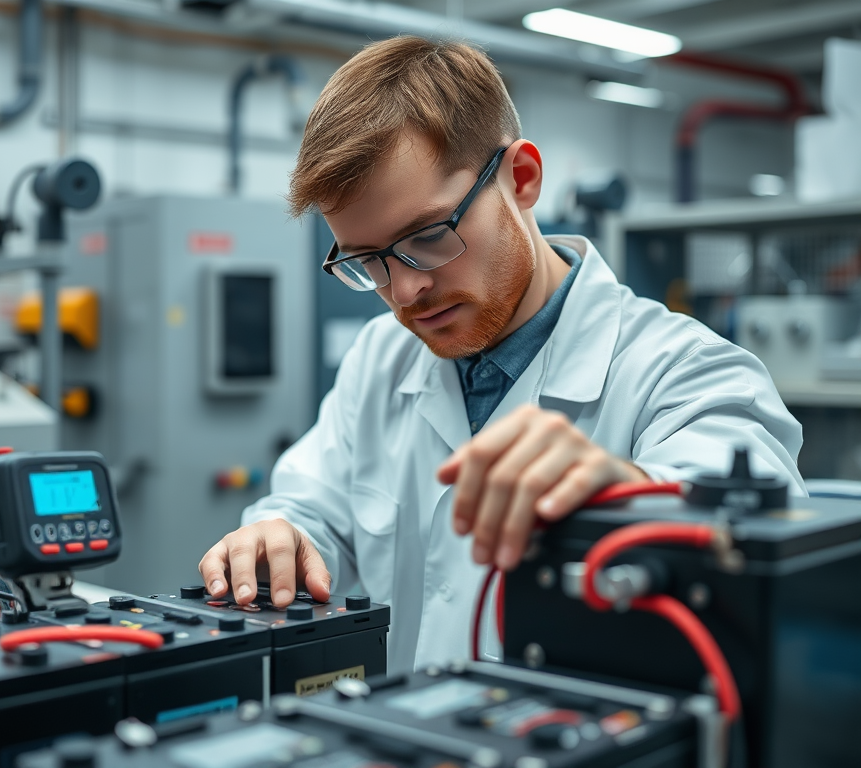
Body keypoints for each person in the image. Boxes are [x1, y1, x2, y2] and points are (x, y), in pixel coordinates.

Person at [199, 36, 805, 672]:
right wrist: (278, 538)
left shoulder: (686, 372)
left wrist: (629, 496)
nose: (405, 291)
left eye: (428, 237)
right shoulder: (381, 359)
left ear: (521, 179)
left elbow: (756, 538)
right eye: (366, 261)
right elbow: (311, 509)